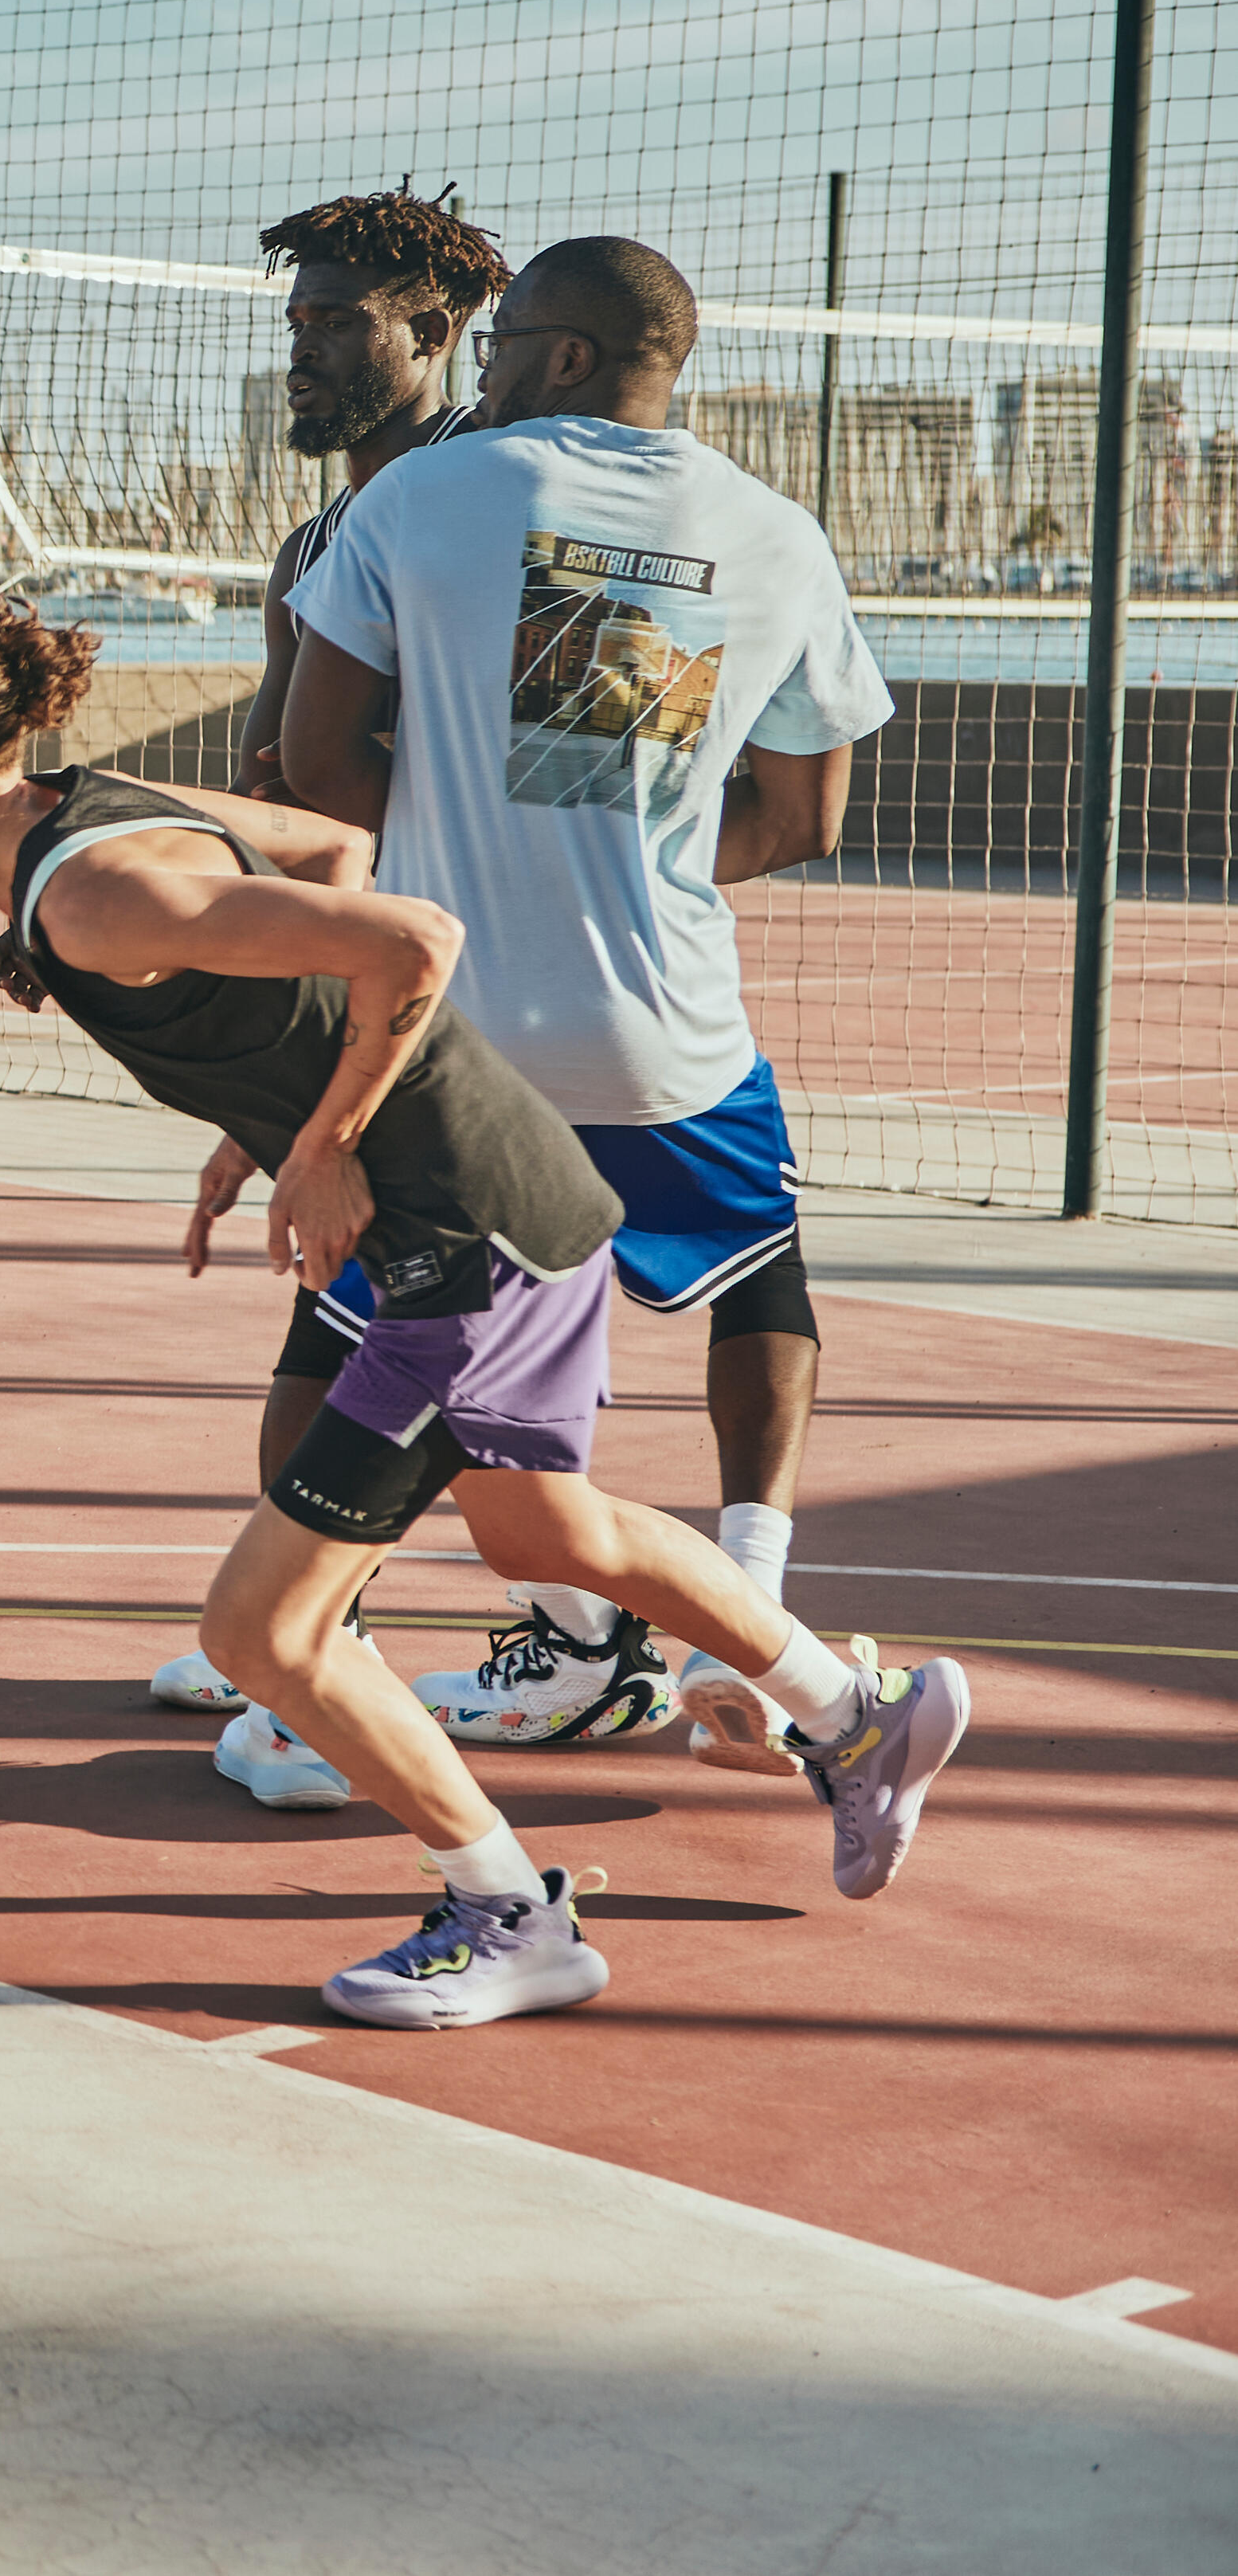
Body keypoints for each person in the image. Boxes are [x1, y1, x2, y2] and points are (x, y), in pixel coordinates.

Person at [0, 578, 969, 2026]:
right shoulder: (79, 814)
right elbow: (334, 844)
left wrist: (327, 1130)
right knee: (542, 1525)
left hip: (466, 1242)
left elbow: (412, 937)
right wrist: (279, 1105)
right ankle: (857, 1718)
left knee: (264, 1636)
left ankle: (509, 1914)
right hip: (510, 1196)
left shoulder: (94, 893)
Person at [276, 237, 895, 1778]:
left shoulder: (413, 500)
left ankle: (306, 1661)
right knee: (760, 1277)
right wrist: (652, 861)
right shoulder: (776, 532)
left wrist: (432, 872)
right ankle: (746, 1591)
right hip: (664, 1032)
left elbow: (317, 759)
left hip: (459, 1033)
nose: (477, 378)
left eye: (500, 355)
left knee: (353, 1331)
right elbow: (807, 818)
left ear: (557, 355)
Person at [141, 186, 510, 1797]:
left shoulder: (475, 507)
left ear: (430, 331)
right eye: (290, 323)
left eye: (330, 321)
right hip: (364, 981)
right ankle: (304, 1640)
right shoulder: (317, 536)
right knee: (369, 1351)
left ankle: (319, 1661)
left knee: (424, 1363)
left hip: (468, 986)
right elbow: (285, 780)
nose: (297, 352)